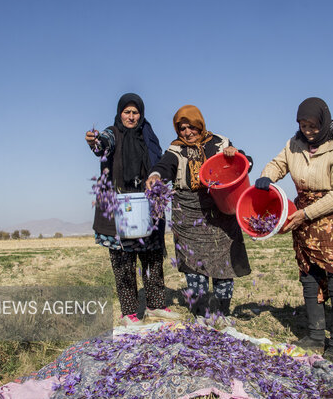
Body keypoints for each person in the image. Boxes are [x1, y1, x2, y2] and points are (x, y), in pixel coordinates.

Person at [255, 97, 333, 363]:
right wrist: (267, 175)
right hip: (304, 217)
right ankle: (314, 333)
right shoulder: (295, 143)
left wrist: (307, 213)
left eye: (313, 125)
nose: (308, 131)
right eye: (303, 125)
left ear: (323, 121)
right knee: (309, 272)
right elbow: (280, 163)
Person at [146, 105, 252, 319]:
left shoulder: (220, 142)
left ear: (200, 125)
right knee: (194, 267)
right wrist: (156, 175)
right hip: (188, 213)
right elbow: (165, 166)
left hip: (220, 211)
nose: (187, 132)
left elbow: (245, 163)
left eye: (191, 127)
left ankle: (223, 312)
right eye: (182, 128)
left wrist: (236, 154)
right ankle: (201, 314)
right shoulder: (175, 149)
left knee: (224, 264)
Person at [85, 93, 179, 326]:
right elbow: (102, 144)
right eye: (126, 112)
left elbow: (159, 160)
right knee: (123, 262)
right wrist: (94, 141)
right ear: (119, 113)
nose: (131, 116)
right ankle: (128, 312)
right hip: (119, 206)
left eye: (135, 112)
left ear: (141, 114)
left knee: (152, 258)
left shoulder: (148, 134)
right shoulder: (112, 132)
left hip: (147, 203)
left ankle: (155, 305)